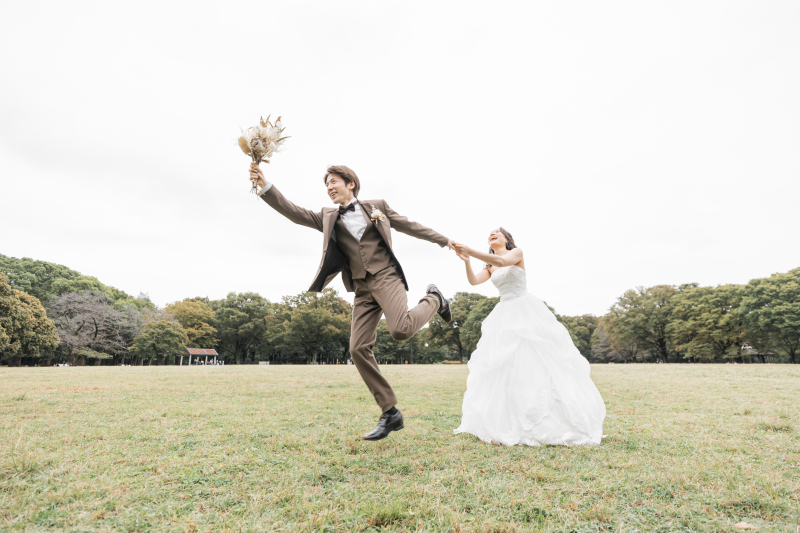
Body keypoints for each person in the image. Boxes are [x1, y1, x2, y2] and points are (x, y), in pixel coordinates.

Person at [250, 164, 455, 441]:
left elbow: (410, 225)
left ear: (351, 184)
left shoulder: (377, 207)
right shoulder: (327, 216)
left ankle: (434, 299)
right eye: (326, 185)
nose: (329, 188)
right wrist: (265, 186)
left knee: (400, 330)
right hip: (361, 288)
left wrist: (445, 241)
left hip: (386, 277)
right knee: (357, 348)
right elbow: (293, 212)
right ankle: (390, 412)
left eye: (334, 182)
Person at [451, 228, 605, 446]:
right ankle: (509, 420)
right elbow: (474, 282)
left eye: (497, 232)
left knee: (536, 360)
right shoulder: (489, 264)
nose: (492, 234)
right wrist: (467, 260)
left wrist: (471, 251)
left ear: (507, 239)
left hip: (525, 310)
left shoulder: (516, 253)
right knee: (505, 366)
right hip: (504, 315)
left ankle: (547, 418)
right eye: (490, 233)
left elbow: (504, 264)